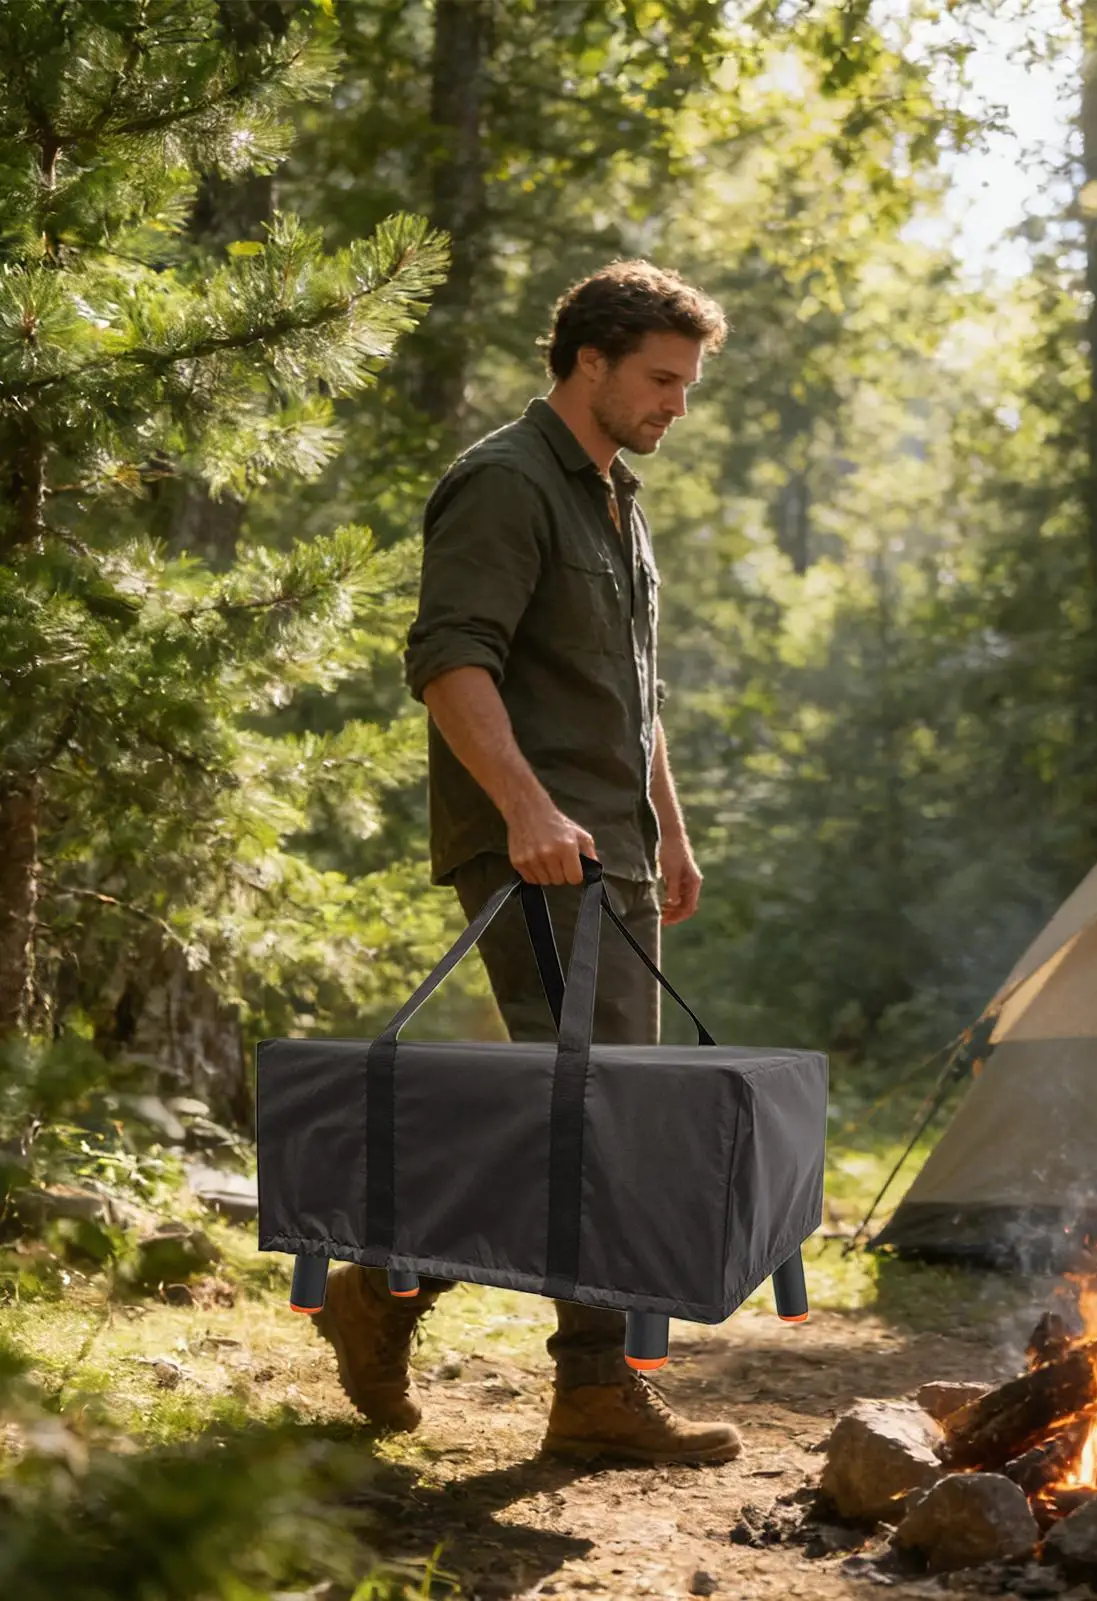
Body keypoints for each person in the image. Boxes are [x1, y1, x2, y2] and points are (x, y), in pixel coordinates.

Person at [308, 259, 741, 1466]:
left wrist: (669, 822)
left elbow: (633, 691)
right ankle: (553, 1367)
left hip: (614, 853)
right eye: (660, 379)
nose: (675, 404)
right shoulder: (503, 483)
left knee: (599, 1117)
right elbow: (452, 657)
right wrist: (527, 810)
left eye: (687, 384)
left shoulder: (617, 497)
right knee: (587, 1119)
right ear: (586, 360)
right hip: (536, 853)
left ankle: (416, 1303)